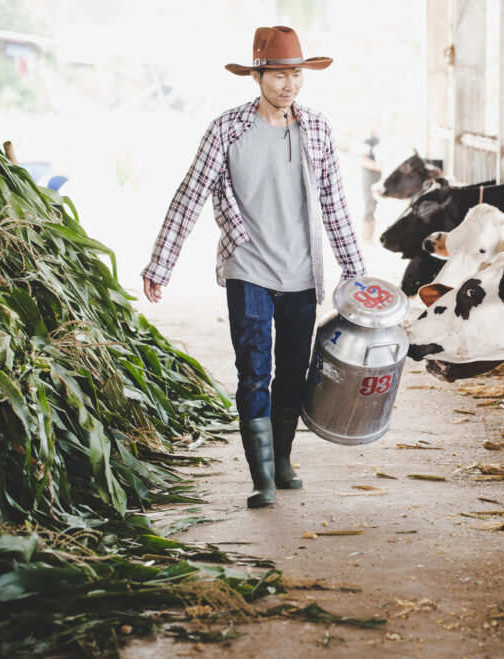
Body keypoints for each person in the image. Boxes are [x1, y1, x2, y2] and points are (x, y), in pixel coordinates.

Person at [141, 26, 366, 509]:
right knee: (253, 371)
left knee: (293, 371)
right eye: (280, 74)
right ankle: (260, 475)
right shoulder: (227, 129)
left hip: (303, 273)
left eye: (297, 74)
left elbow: (336, 205)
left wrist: (356, 274)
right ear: (259, 75)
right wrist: (161, 264)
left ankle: (282, 460)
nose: (290, 84)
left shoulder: (318, 130)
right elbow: (190, 196)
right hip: (248, 267)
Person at [360, 122, 381, 243]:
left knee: (374, 205)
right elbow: (363, 159)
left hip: (378, 179)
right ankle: (366, 238)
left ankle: (370, 237)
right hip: (369, 179)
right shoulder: (367, 141)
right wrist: (379, 167)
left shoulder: (379, 142)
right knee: (369, 206)